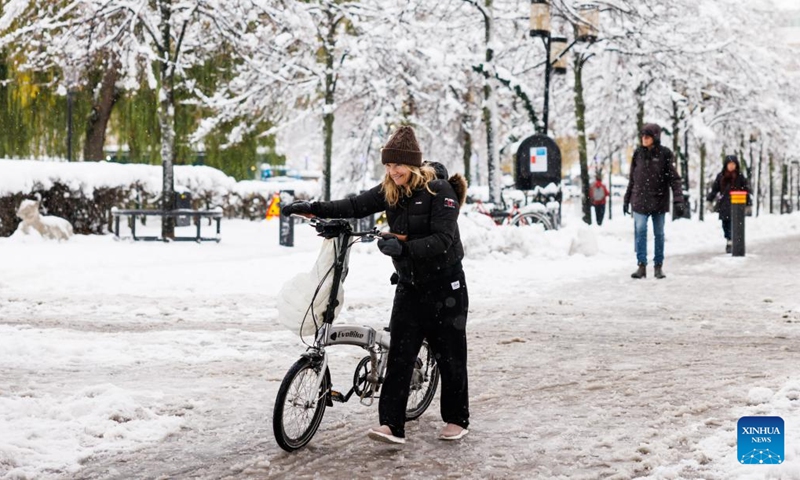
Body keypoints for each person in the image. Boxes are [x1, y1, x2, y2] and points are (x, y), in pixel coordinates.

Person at [281, 126, 470, 445]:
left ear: (413, 164)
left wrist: (404, 248)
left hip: (445, 286)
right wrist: (311, 207)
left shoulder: (441, 192)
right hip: (410, 286)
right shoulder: (390, 191)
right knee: (399, 354)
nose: (392, 171)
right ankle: (391, 425)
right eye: (388, 165)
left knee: (450, 355)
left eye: (398, 165)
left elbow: (443, 239)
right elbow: (354, 206)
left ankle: (457, 418)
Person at [623, 123, 685, 279]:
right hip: (639, 200)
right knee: (641, 231)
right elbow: (632, 179)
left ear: (655, 137)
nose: (644, 138)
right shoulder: (637, 154)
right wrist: (626, 199)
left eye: (648, 136)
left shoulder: (664, 155)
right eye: (643, 135)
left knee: (659, 234)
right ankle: (641, 266)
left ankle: (658, 266)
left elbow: (675, 179)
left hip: (659, 200)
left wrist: (678, 199)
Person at [706, 155, 751, 253]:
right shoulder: (721, 176)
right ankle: (728, 239)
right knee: (725, 224)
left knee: (734, 223)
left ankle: (732, 241)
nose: (731, 166)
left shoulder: (740, 176)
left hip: (737, 204)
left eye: (733, 164)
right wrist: (709, 200)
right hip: (724, 204)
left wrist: (748, 204)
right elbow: (714, 189)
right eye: (729, 164)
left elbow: (746, 190)